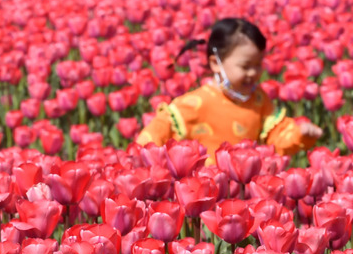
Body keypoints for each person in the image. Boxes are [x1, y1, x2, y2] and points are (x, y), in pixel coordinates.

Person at [135, 17, 322, 161]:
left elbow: (276, 137)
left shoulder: (258, 100)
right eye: (245, 66)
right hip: (204, 193)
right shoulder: (194, 104)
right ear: (216, 64)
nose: (253, 72)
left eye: (258, 65)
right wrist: (142, 155)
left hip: (246, 193)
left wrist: (299, 134)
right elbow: (158, 131)